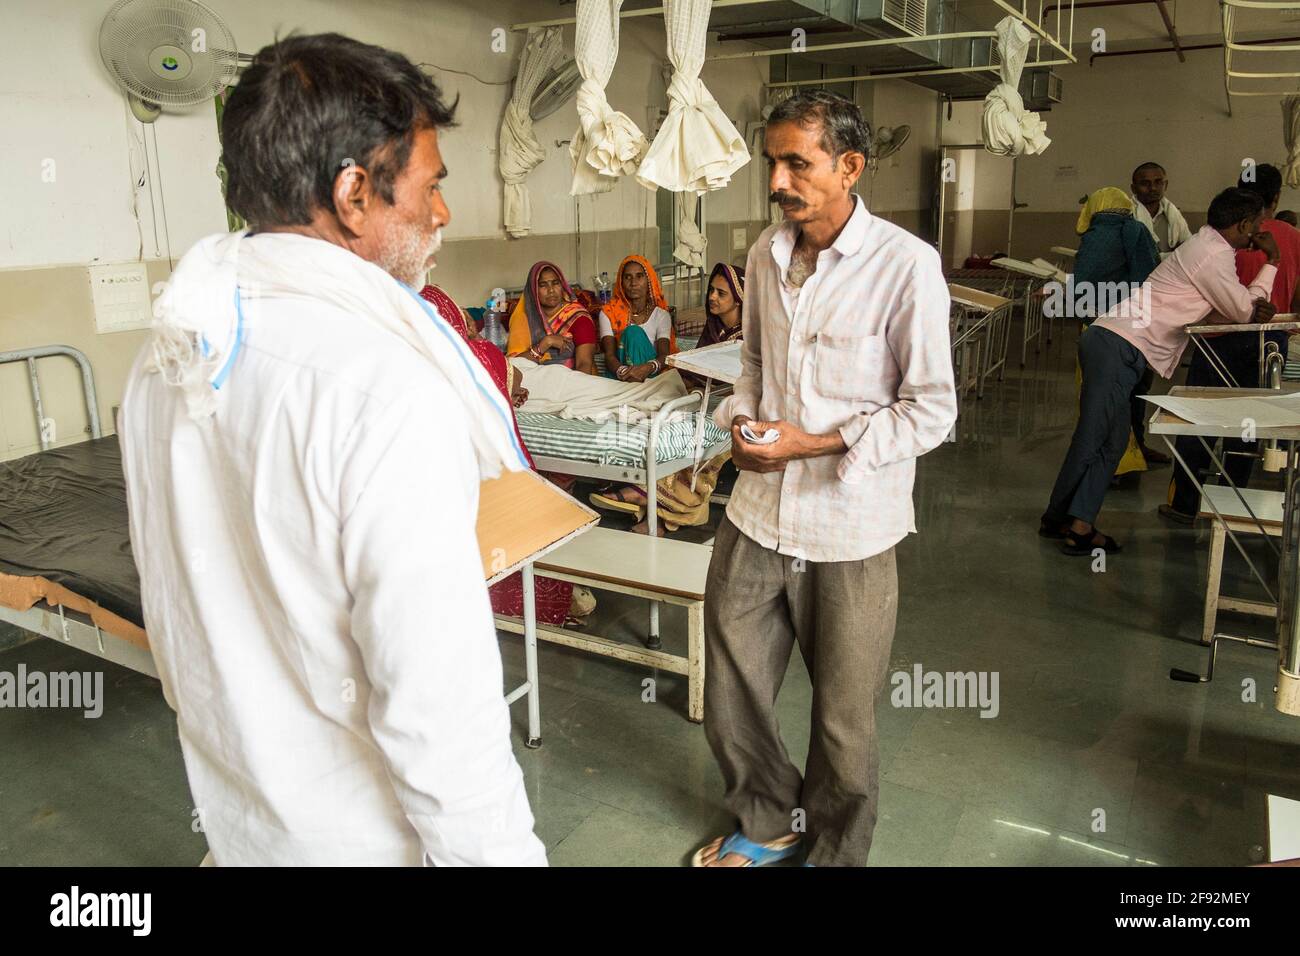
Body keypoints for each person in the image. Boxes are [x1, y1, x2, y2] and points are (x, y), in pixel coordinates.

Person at [118, 33, 546, 866]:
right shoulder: (388, 391)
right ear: (354, 192)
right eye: (431, 185)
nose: (443, 213)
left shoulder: (168, 353)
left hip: (246, 826)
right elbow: (440, 720)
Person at [691, 90, 956, 868]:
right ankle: (770, 817)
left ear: (849, 167)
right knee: (732, 691)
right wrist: (742, 423)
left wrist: (811, 443)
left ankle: (836, 850)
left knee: (844, 718)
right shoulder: (764, 257)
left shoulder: (906, 266)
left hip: (851, 527)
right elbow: (750, 367)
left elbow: (931, 411)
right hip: (755, 515)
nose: (777, 179)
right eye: (771, 162)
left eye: (795, 163)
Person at [1041, 187, 1280, 556]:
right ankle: (1064, 521)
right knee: (1096, 439)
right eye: (1257, 227)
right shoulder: (1213, 256)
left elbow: (1216, 309)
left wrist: (1251, 305)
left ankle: (1074, 522)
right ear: (1245, 225)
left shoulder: (1205, 246)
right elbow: (1242, 311)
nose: (1259, 234)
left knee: (1111, 442)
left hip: (1116, 342)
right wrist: (1271, 262)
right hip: (1118, 345)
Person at [422, 283, 597, 624]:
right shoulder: (486, 352)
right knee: (526, 536)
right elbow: (516, 380)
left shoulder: (428, 370)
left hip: (473, 480)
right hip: (516, 470)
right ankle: (556, 603)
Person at [1163, 164, 1300, 523]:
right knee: (1247, 425)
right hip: (1270, 341)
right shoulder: (1291, 237)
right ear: (1276, 198)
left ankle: (1184, 504)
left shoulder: (1223, 237)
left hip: (1217, 342)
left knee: (1198, 421)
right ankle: (1231, 507)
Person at [589, 261, 743, 533]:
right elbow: (695, 367)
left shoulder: (751, 335)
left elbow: (749, 379)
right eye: (712, 291)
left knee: (695, 444)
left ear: (740, 298)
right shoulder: (713, 328)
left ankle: (647, 500)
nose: (711, 298)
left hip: (737, 402)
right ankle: (656, 514)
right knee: (673, 420)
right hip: (702, 396)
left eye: (721, 293)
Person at [1072, 187, 1165, 470]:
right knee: (1133, 391)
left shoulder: (1094, 237)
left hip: (1099, 329)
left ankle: (1107, 462)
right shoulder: (1138, 232)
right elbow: (1152, 278)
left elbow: (1082, 286)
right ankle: (1134, 451)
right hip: (1136, 327)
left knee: (1100, 399)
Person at [506, 260, 598, 374]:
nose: (551, 290)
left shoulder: (578, 317)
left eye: (555, 283)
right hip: (534, 381)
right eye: (543, 285)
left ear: (562, 286)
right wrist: (546, 343)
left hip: (574, 381)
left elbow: (584, 364)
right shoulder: (523, 318)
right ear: (534, 290)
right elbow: (512, 365)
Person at [598, 255, 677, 381]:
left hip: (652, 375)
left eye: (639, 276)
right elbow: (610, 356)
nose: (633, 283)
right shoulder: (608, 313)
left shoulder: (661, 316)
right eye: (627, 277)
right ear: (621, 282)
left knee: (633, 332)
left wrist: (647, 368)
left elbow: (664, 355)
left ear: (649, 281)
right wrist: (625, 372)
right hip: (621, 376)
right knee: (632, 332)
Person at [1131, 162, 1193, 258]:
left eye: (1158, 182)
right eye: (1145, 183)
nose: (1153, 188)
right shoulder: (1127, 215)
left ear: (1166, 185)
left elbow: (1189, 248)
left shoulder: (1173, 214)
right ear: (1133, 189)